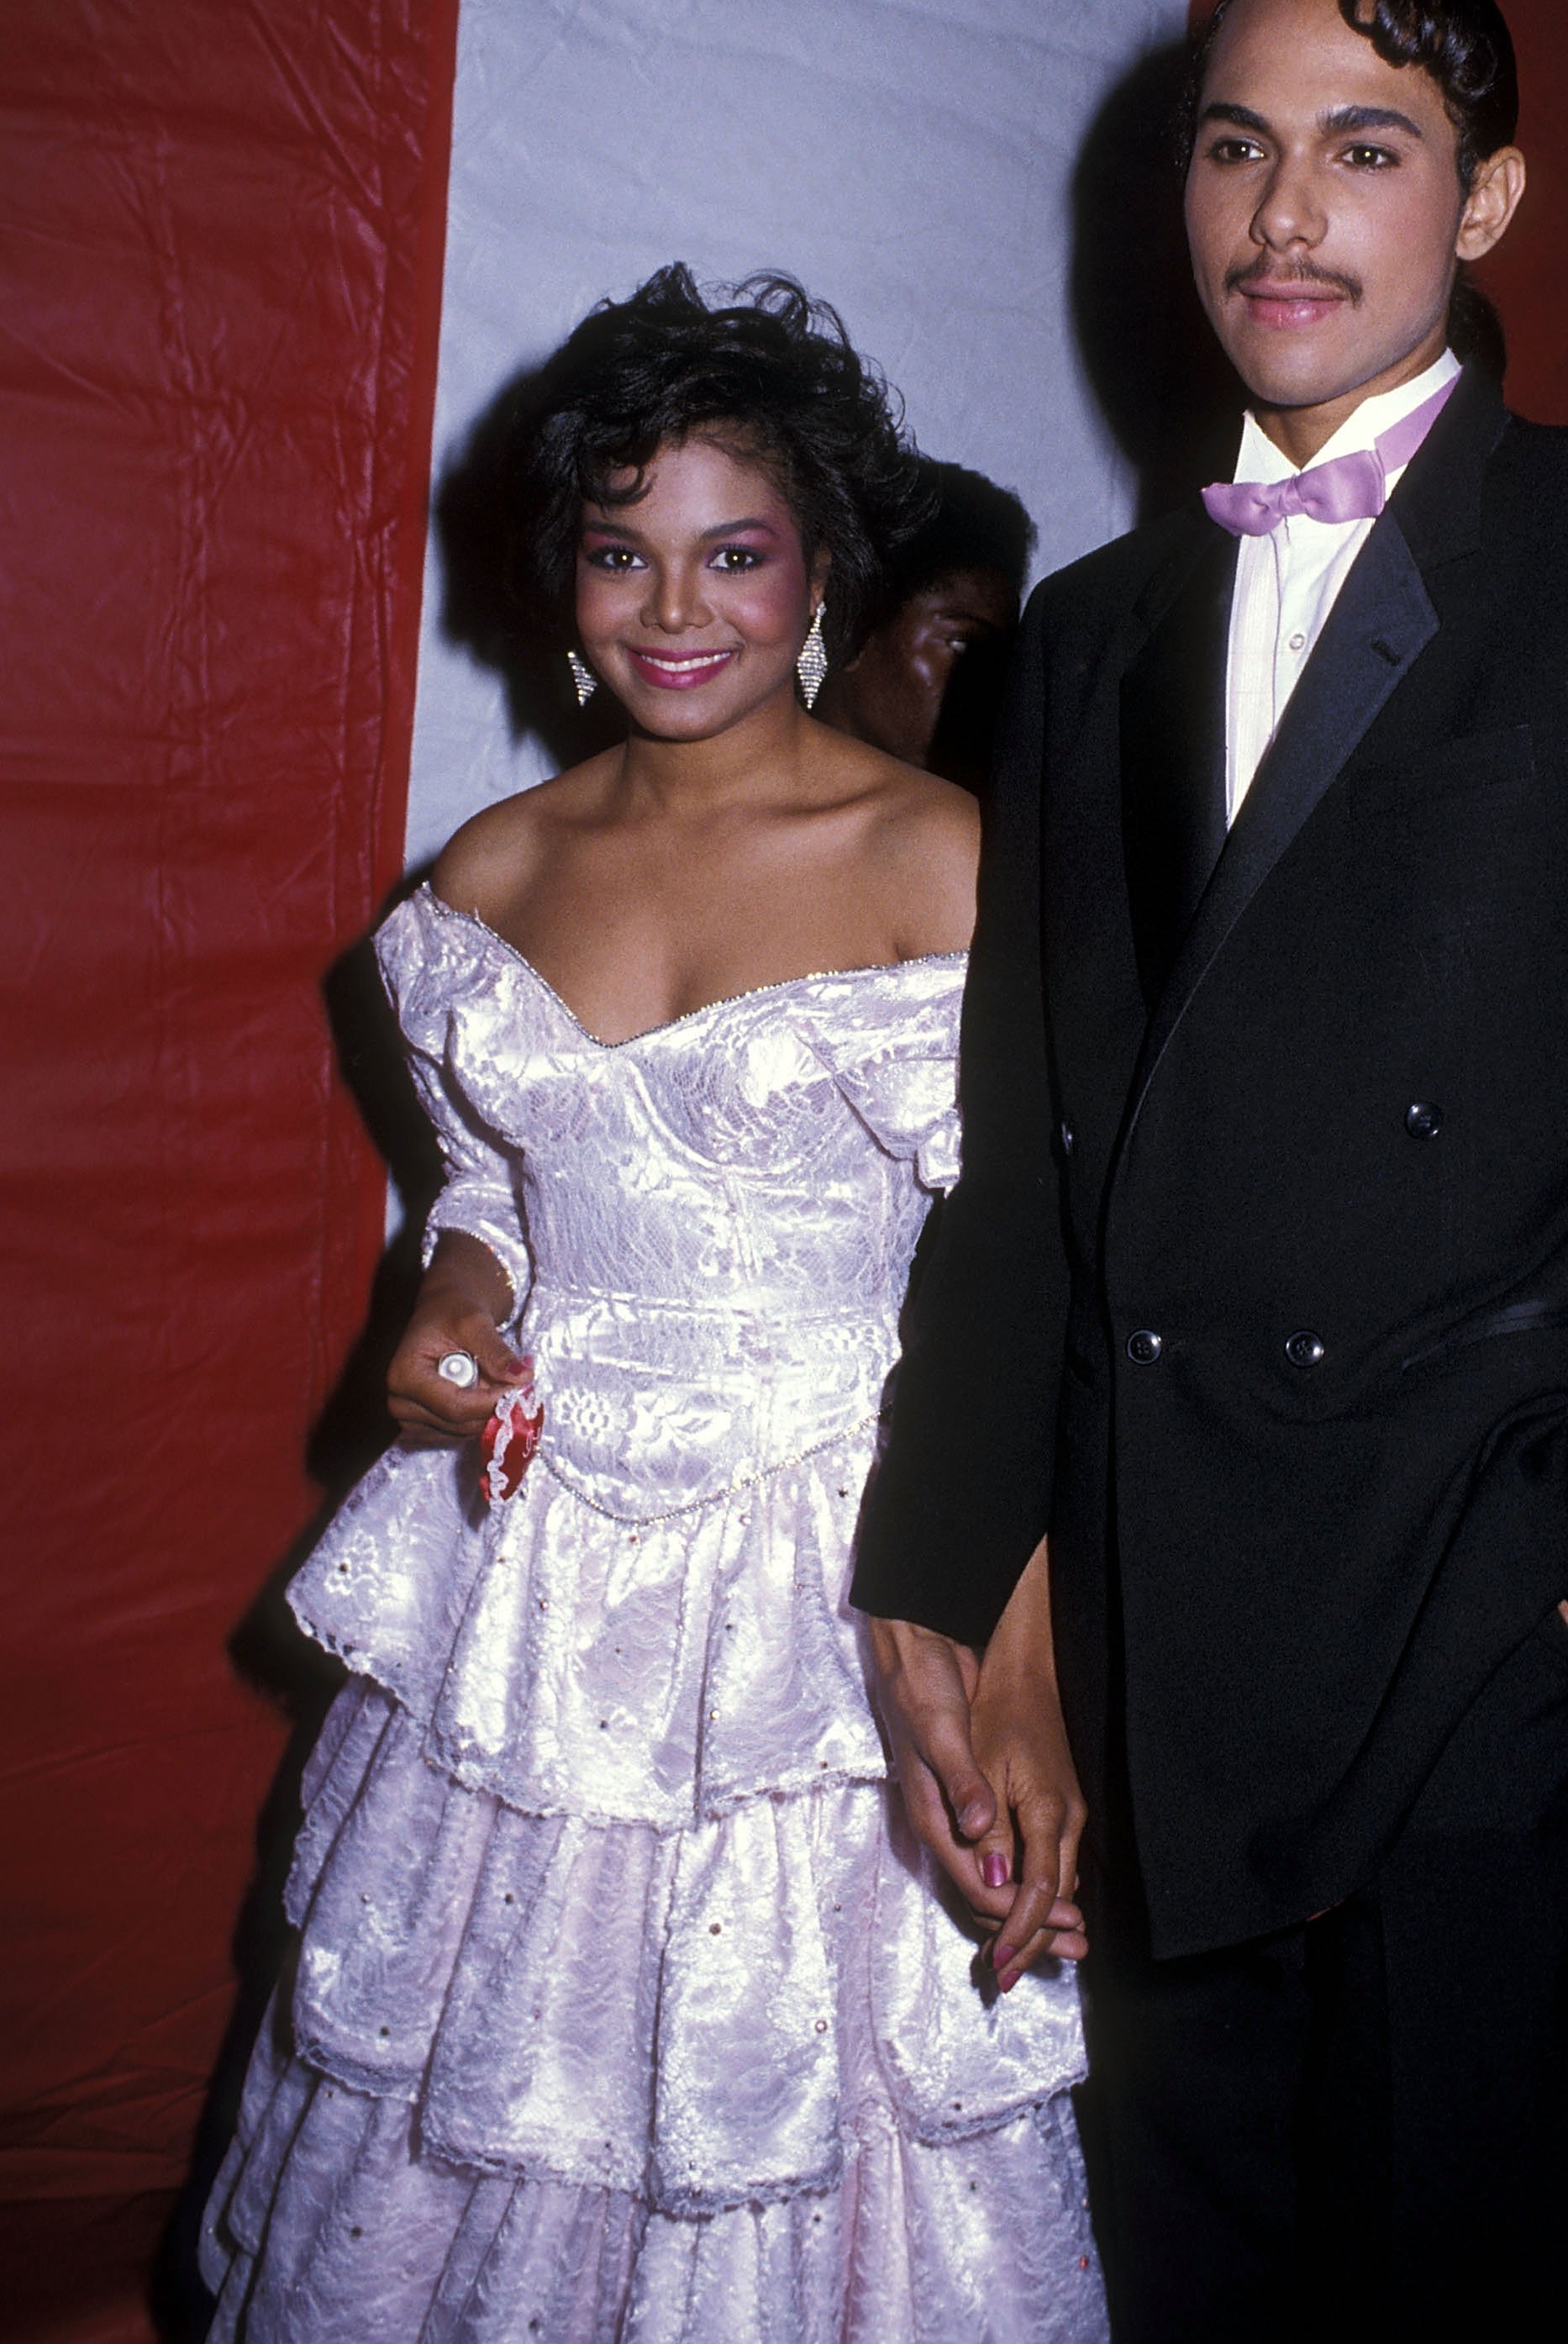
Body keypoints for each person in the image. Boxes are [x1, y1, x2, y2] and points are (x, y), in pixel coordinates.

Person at [852, 0, 1568, 2341]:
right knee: (1187, 2269)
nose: (1281, 216)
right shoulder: (1092, 633)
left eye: (1365, 148)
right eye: (1232, 148)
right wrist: (943, 1576)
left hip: (1471, 1613)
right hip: (1152, 1621)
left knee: (1451, 2283)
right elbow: (1031, 1169)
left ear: (1490, 199)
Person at [199, 267, 1107, 2344]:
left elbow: (1029, 1288)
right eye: (623, 552)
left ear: (819, 571)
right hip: (532, 1594)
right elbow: (488, 1183)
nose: (673, 606)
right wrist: (452, 1301)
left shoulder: (950, 860)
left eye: (732, 551)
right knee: (487, 2105)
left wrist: (1015, 1655)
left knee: (789, 2129)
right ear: (565, 575)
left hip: (841, 1592)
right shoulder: (486, 875)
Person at [812, 459, 1034, 791]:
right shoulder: (732, 799)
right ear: (854, 621)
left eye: (1001, 659)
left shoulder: (971, 826)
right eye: (961, 645)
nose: (984, 686)